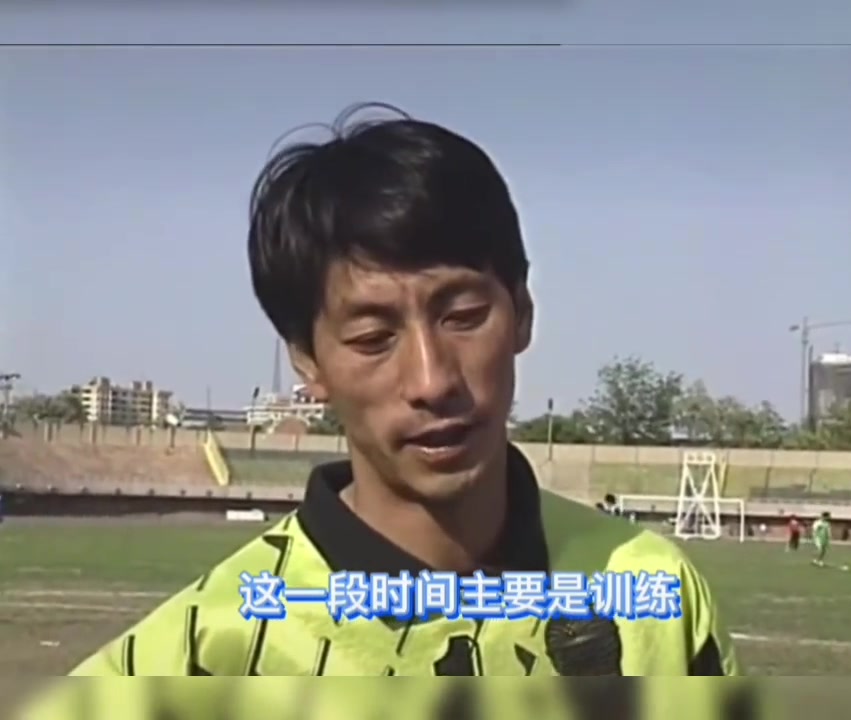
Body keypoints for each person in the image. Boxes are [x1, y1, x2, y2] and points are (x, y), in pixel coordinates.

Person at [24, 103, 740, 704]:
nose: (431, 379)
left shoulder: (652, 594)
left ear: (522, 313)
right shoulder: (207, 649)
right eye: (372, 338)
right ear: (308, 360)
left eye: (464, 316)